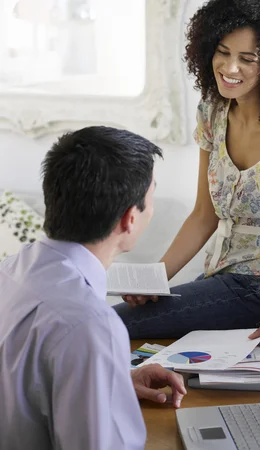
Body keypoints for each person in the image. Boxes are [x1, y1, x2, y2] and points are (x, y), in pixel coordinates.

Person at [115, 0, 260, 344]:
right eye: (223, 52)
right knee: (113, 320)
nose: (230, 67)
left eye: (248, 59)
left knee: (112, 323)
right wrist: (154, 279)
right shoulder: (213, 113)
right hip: (220, 275)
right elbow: (204, 215)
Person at [0, 127, 188, 449]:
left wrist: (111, 382)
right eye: (151, 196)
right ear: (129, 218)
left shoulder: (10, 271)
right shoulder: (90, 326)